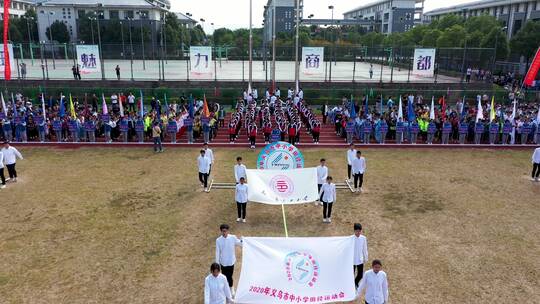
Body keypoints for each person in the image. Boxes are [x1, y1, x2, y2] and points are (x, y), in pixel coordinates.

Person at [215, 224, 243, 296]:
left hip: (231, 262)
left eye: (225, 231)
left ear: (228, 231)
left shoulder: (232, 237)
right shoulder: (218, 240)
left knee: (229, 276)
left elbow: (240, 243)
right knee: (225, 277)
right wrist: (217, 264)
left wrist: (243, 240)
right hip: (223, 262)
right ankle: (227, 289)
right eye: (223, 231)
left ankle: (231, 288)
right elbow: (217, 252)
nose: (224, 233)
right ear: (221, 231)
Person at [353, 223, 368, 288]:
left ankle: (355, 282)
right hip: (352, 260)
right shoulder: (351, 238)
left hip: (360, 259)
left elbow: (365, 248)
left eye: (359, 231)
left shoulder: (363, 238)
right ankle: (351, 285)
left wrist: (366, 257)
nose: (358, 232)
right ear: (354, 231)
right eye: (357, 231)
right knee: (351, 274)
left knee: (360, 275)